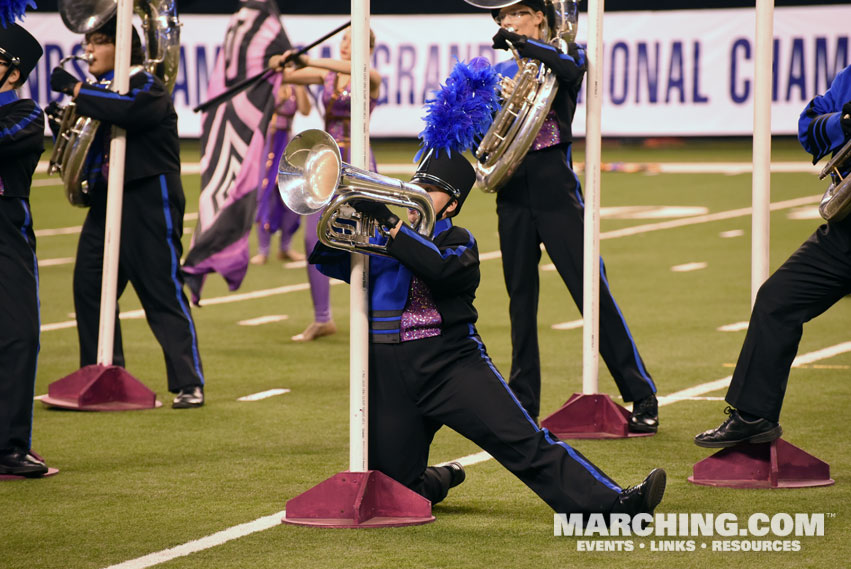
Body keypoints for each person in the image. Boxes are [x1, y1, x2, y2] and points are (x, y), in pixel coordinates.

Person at [309, 148, 666, 517]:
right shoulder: (380, 241)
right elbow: (326, 257)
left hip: (451, 366)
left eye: (430, 189)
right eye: (415, 184)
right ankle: (440, 478)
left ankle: (614, 504)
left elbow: (439, 269)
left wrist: (393, 227)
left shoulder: (459, 242)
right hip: (387, 372)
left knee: (524, 442)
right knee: (394, 485)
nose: (415, 195)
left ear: (451, 205)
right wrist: (343, 206)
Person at [487, 1, 658, 430]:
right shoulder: (500, 74)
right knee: (520, 302)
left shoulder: (564, 53)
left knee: (590, 293)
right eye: (501, 18)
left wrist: (525, 46)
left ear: (538, 16)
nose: (507, 23)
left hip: (555, 193)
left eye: (515, 14)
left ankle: (642, 396)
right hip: (511, 196)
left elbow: (571, 71)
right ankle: (524, 403)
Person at [49, 18, 206, 409]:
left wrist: (76, 89)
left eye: (97, 43)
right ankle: (101, 372)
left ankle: (189, 383)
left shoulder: (148, 85)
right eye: (87, 43)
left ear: (121, 48)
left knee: (161, 290)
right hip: (107, 202)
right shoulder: (104, 92)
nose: (88, 51)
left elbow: (129, 111)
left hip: (150, 199)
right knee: (89, 285)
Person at [694, 65, 851, 448]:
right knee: (776, 299)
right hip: (846, 231)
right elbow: (807, 127)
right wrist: (844, 121)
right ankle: (753, 417)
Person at [269, 27, 381, 342]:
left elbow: (356, 69)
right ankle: (323, 318)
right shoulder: (327, 76)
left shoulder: (371, 76)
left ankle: (379, 314)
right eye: (343, 40)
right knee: (311, 239)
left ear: (366, 46)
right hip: (328, 163)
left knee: (367, 239)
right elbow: (286, 77)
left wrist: (311, 60)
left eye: (351, 40)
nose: (345, 45)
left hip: (359, 162)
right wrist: (281, 63)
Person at [0, 22, 50, 477]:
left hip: (5, 233)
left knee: (18, 336)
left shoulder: (26, 114)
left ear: (13, 74)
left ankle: (9, 446)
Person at [250, 82, 311, 266]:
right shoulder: (269, 83)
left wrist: (300, 87)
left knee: (291, 191)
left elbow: (306, 110)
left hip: (286, 141)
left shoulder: (295, 86)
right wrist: (278, 100)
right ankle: (263, 250)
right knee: (265, 193)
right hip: (268, 141)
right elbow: (257, 111)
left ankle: (286, 247)